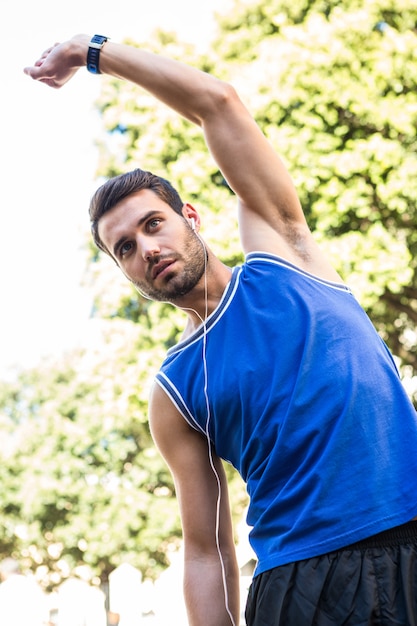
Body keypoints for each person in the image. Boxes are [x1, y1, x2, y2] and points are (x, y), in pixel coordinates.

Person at [24, 34, 417, 626]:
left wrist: (89, 51)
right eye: (125, 248)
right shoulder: (173, 390)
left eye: (153, 224)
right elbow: (207, 550)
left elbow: (219, 104)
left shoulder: (284, 251)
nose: (147, 248)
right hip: (302, 587)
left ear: (190, 217)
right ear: (124, 271)